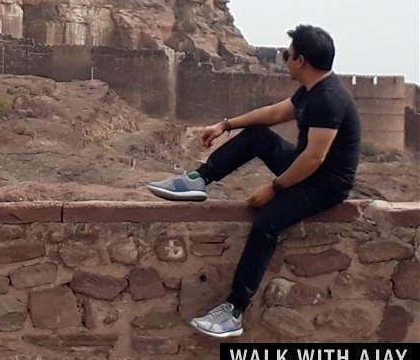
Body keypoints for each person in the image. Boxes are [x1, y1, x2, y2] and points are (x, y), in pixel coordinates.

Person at [146, 24, 360, 338]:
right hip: (308, 168)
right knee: (257, 136)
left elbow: (315, 158)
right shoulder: (312, 90)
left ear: (301, 61)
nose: (284, 58)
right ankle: (198, 180)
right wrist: (225, 125)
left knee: (266, 223)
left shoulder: (329, 100)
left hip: (326, 183)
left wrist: (273, 188)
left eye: (288, 54)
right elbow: (274, 114)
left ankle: (234, 310)